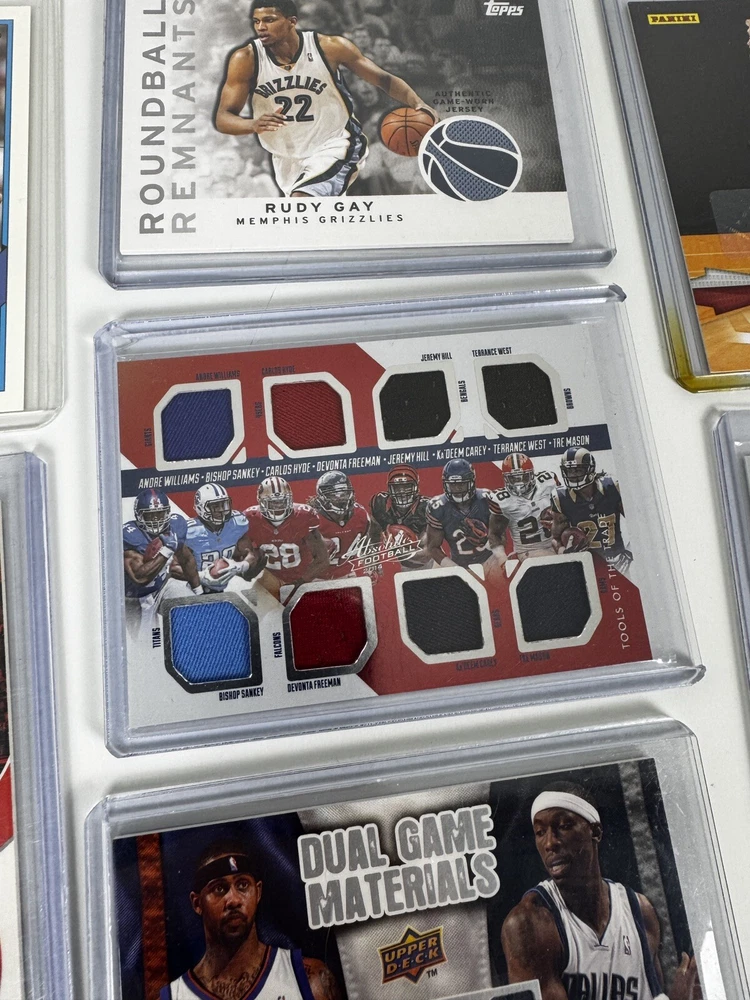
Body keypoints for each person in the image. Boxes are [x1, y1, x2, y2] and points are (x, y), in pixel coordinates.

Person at [215, 0, 434, 197]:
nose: (261, 27)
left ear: (292, 21)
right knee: (311, 218)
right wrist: (252, 124)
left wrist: (417, 102)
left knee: (303, 200)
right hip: (286, 157)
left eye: (269, 20)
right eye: (256, 21)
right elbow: (223, 118)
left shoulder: (329, 47)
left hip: (335, 144)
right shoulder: (246, 59)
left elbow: (383, 79)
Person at [501, 783, 698, 1000]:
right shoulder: (527, 924)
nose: (550, 843)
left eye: (564, 826)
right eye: (540, 832)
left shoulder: (640, 912)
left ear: (595, 832)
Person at [160, 840, 341, 1000]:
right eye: (219, 889)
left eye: (242, 885)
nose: (233, 900)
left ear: (258, 892)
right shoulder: (175, 996)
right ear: (197, 903)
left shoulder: (309, 980)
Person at [123, 489, 201, 638]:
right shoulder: (130, 536)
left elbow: (186, 558)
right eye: (150, 515)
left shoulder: (175, 526)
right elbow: (140, 577)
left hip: (162, 586)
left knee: (192, 608)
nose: (156, 520)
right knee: (149, 643)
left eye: (160, 514)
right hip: (136, 597)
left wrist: (198, 591)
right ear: (139, 516)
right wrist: (166, 550)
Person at [421, 459, 494, 567]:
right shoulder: (438, 507)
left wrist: (487, 543)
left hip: (489, 559)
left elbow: (500, 536)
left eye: (462, 484)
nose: (457, 489)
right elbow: (432, 547)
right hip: (457, 563)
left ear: (472, 482)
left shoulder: (486, 499)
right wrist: (454, 568)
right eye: (453, 485)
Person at [488, 453, 558, 565]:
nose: (519, 484)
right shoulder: (502, 500)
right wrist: (501, 558)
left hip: (554, 543)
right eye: (513, 479)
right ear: (505, 478)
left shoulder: (548, 482)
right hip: (529, 551)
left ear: (532, 474)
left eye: (523, 477)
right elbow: (494, 534)